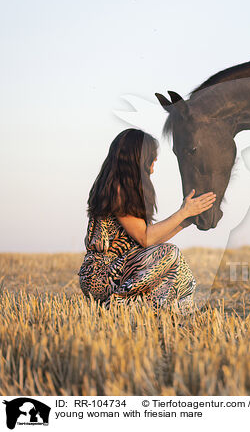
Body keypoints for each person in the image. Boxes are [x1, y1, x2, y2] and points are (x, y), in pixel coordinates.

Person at [78, 128, 216, 315]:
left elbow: (151, 239)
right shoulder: (118, 190)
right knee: (170, 252)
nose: (156, 160)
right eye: (153, 155)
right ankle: (115, 305)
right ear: (140, 158)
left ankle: (179, 313)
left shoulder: (127, 189)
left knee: (179, 267)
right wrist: (183, 212)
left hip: (122, 268)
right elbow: (146, 239)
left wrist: (187, 220)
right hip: (101, 274)